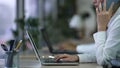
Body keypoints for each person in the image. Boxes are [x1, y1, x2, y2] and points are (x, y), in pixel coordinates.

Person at [55, 0, 120, 65]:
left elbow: (104, 60)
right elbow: (104, 53)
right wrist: (78, 57)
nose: (94, 1)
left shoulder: (118, 20)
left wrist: (101, 27)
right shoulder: (114, 18)